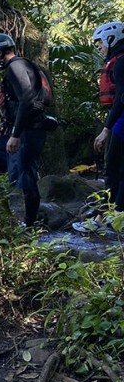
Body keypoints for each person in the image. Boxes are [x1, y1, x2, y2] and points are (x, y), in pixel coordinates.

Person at [0, 32, 50, 228]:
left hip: (28, 133)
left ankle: (29, 225)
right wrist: (4, 127)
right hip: (16, 131)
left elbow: (28, 100)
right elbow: (16, 105)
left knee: (26, 177)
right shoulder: (15, 68)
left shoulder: (16, 67)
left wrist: (15, 135)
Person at [72, 21, 124, 233]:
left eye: (100, 43)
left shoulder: (120, 63)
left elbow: (121, 99)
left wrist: (106, 129)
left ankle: (102, 219)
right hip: (119, 118)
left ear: (111, 39)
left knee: (112, 170)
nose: (99, 47)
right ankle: (116, 216)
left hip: (121, 121)